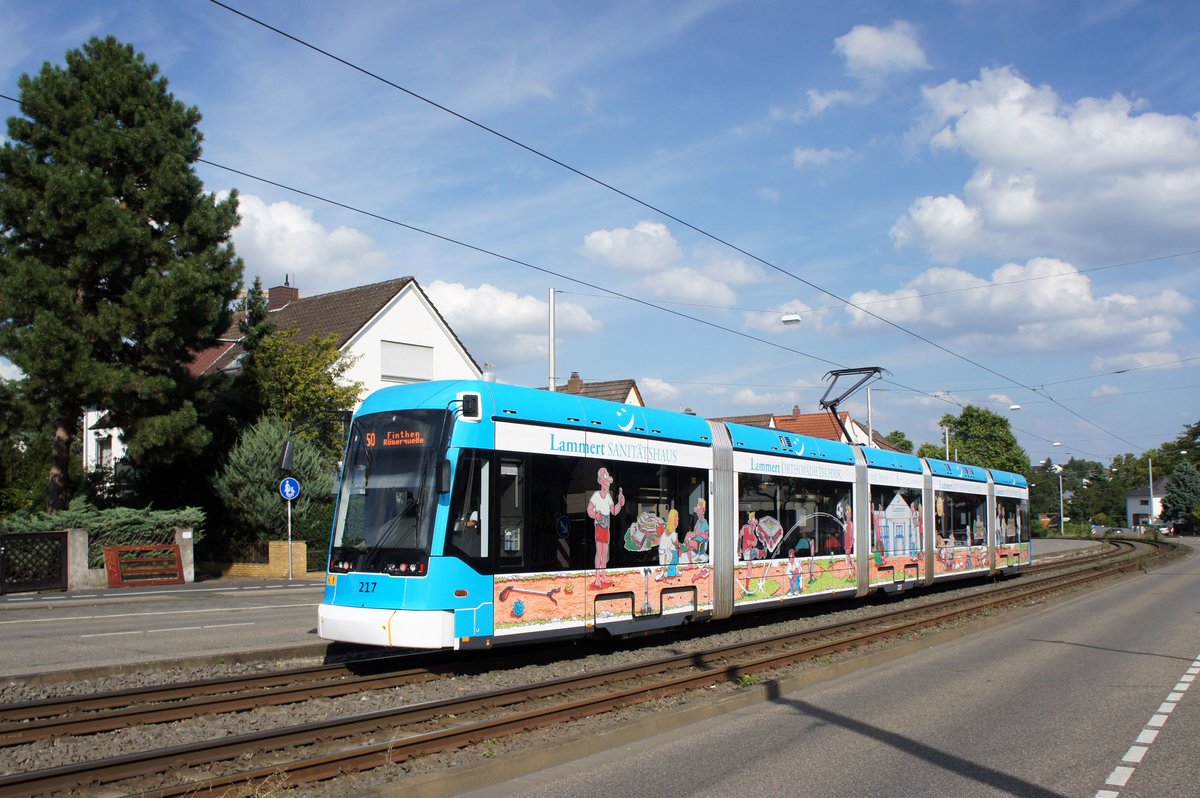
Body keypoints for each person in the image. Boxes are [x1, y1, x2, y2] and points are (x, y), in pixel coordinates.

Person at [587, 466, 625, 589]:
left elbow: (613, 511)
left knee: (605, 552)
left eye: (607, 476)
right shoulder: (596, 495)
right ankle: (597, 577)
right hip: (599, 525)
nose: (607, 481)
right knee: (599, 552)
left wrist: (620, 503)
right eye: (605, 477)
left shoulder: (608, 496)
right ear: (600, 481)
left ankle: (603, 575)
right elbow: (589, 510)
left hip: (606, 525)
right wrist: (595, 515)